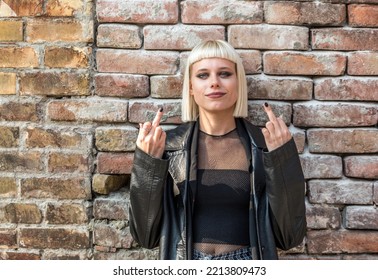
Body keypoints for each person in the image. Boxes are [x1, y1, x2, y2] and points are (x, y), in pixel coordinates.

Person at [129, 40, 306, 260]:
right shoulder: (169, 146)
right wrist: (148, 163)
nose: (214, 83)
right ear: (191, 88)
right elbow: (145, 237)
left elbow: (290, 237)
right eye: (203, 75)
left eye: (224, 74)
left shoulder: (264, 145)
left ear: (238, 83)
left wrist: (282, 160)